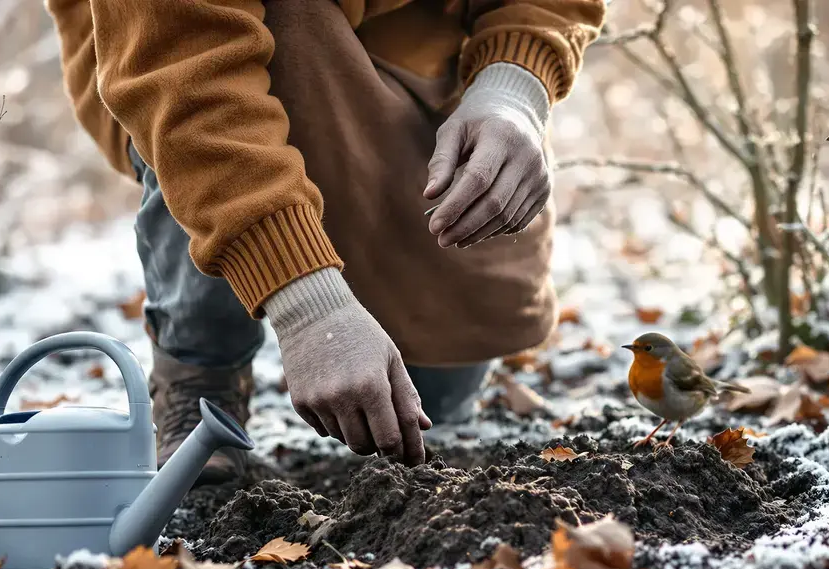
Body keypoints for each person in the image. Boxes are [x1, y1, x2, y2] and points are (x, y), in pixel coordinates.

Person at [45, 0, 605, 483]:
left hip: (417, 64)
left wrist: (513, 88)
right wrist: (310, 309)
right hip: (172, 64)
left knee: (430, 397)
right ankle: (200, 369)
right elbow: (185, 72)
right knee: (274, 34)